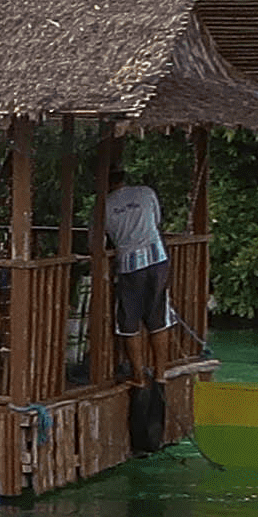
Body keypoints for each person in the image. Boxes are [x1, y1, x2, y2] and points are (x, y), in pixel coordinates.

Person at [100, 165, 177, 448]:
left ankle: (137, 373)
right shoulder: (146, 193)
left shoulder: (104, 206)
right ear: (124, 178)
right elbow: (156, 221)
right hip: (157, 259)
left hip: (130, 264)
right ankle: (160, 371)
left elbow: (101, 239)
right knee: (158, 318)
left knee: (129, 323)